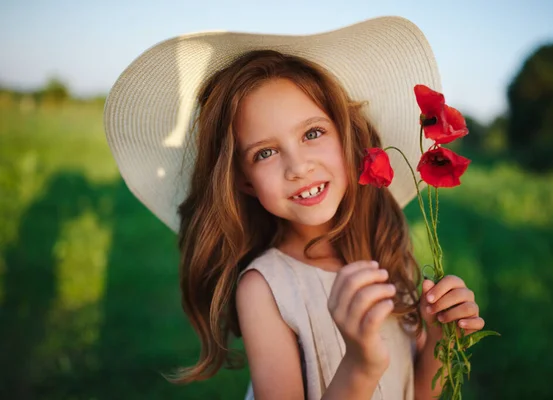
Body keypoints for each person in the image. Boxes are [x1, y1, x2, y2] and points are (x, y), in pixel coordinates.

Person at [104, 16, 485, 400]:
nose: (298, 166)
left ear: (347, 137)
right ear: (244, 180)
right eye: (265, 152)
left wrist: (441, 336)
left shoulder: (387, 254)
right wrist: (361, 365)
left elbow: (415, 393)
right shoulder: (265, 289)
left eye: (312, 133)